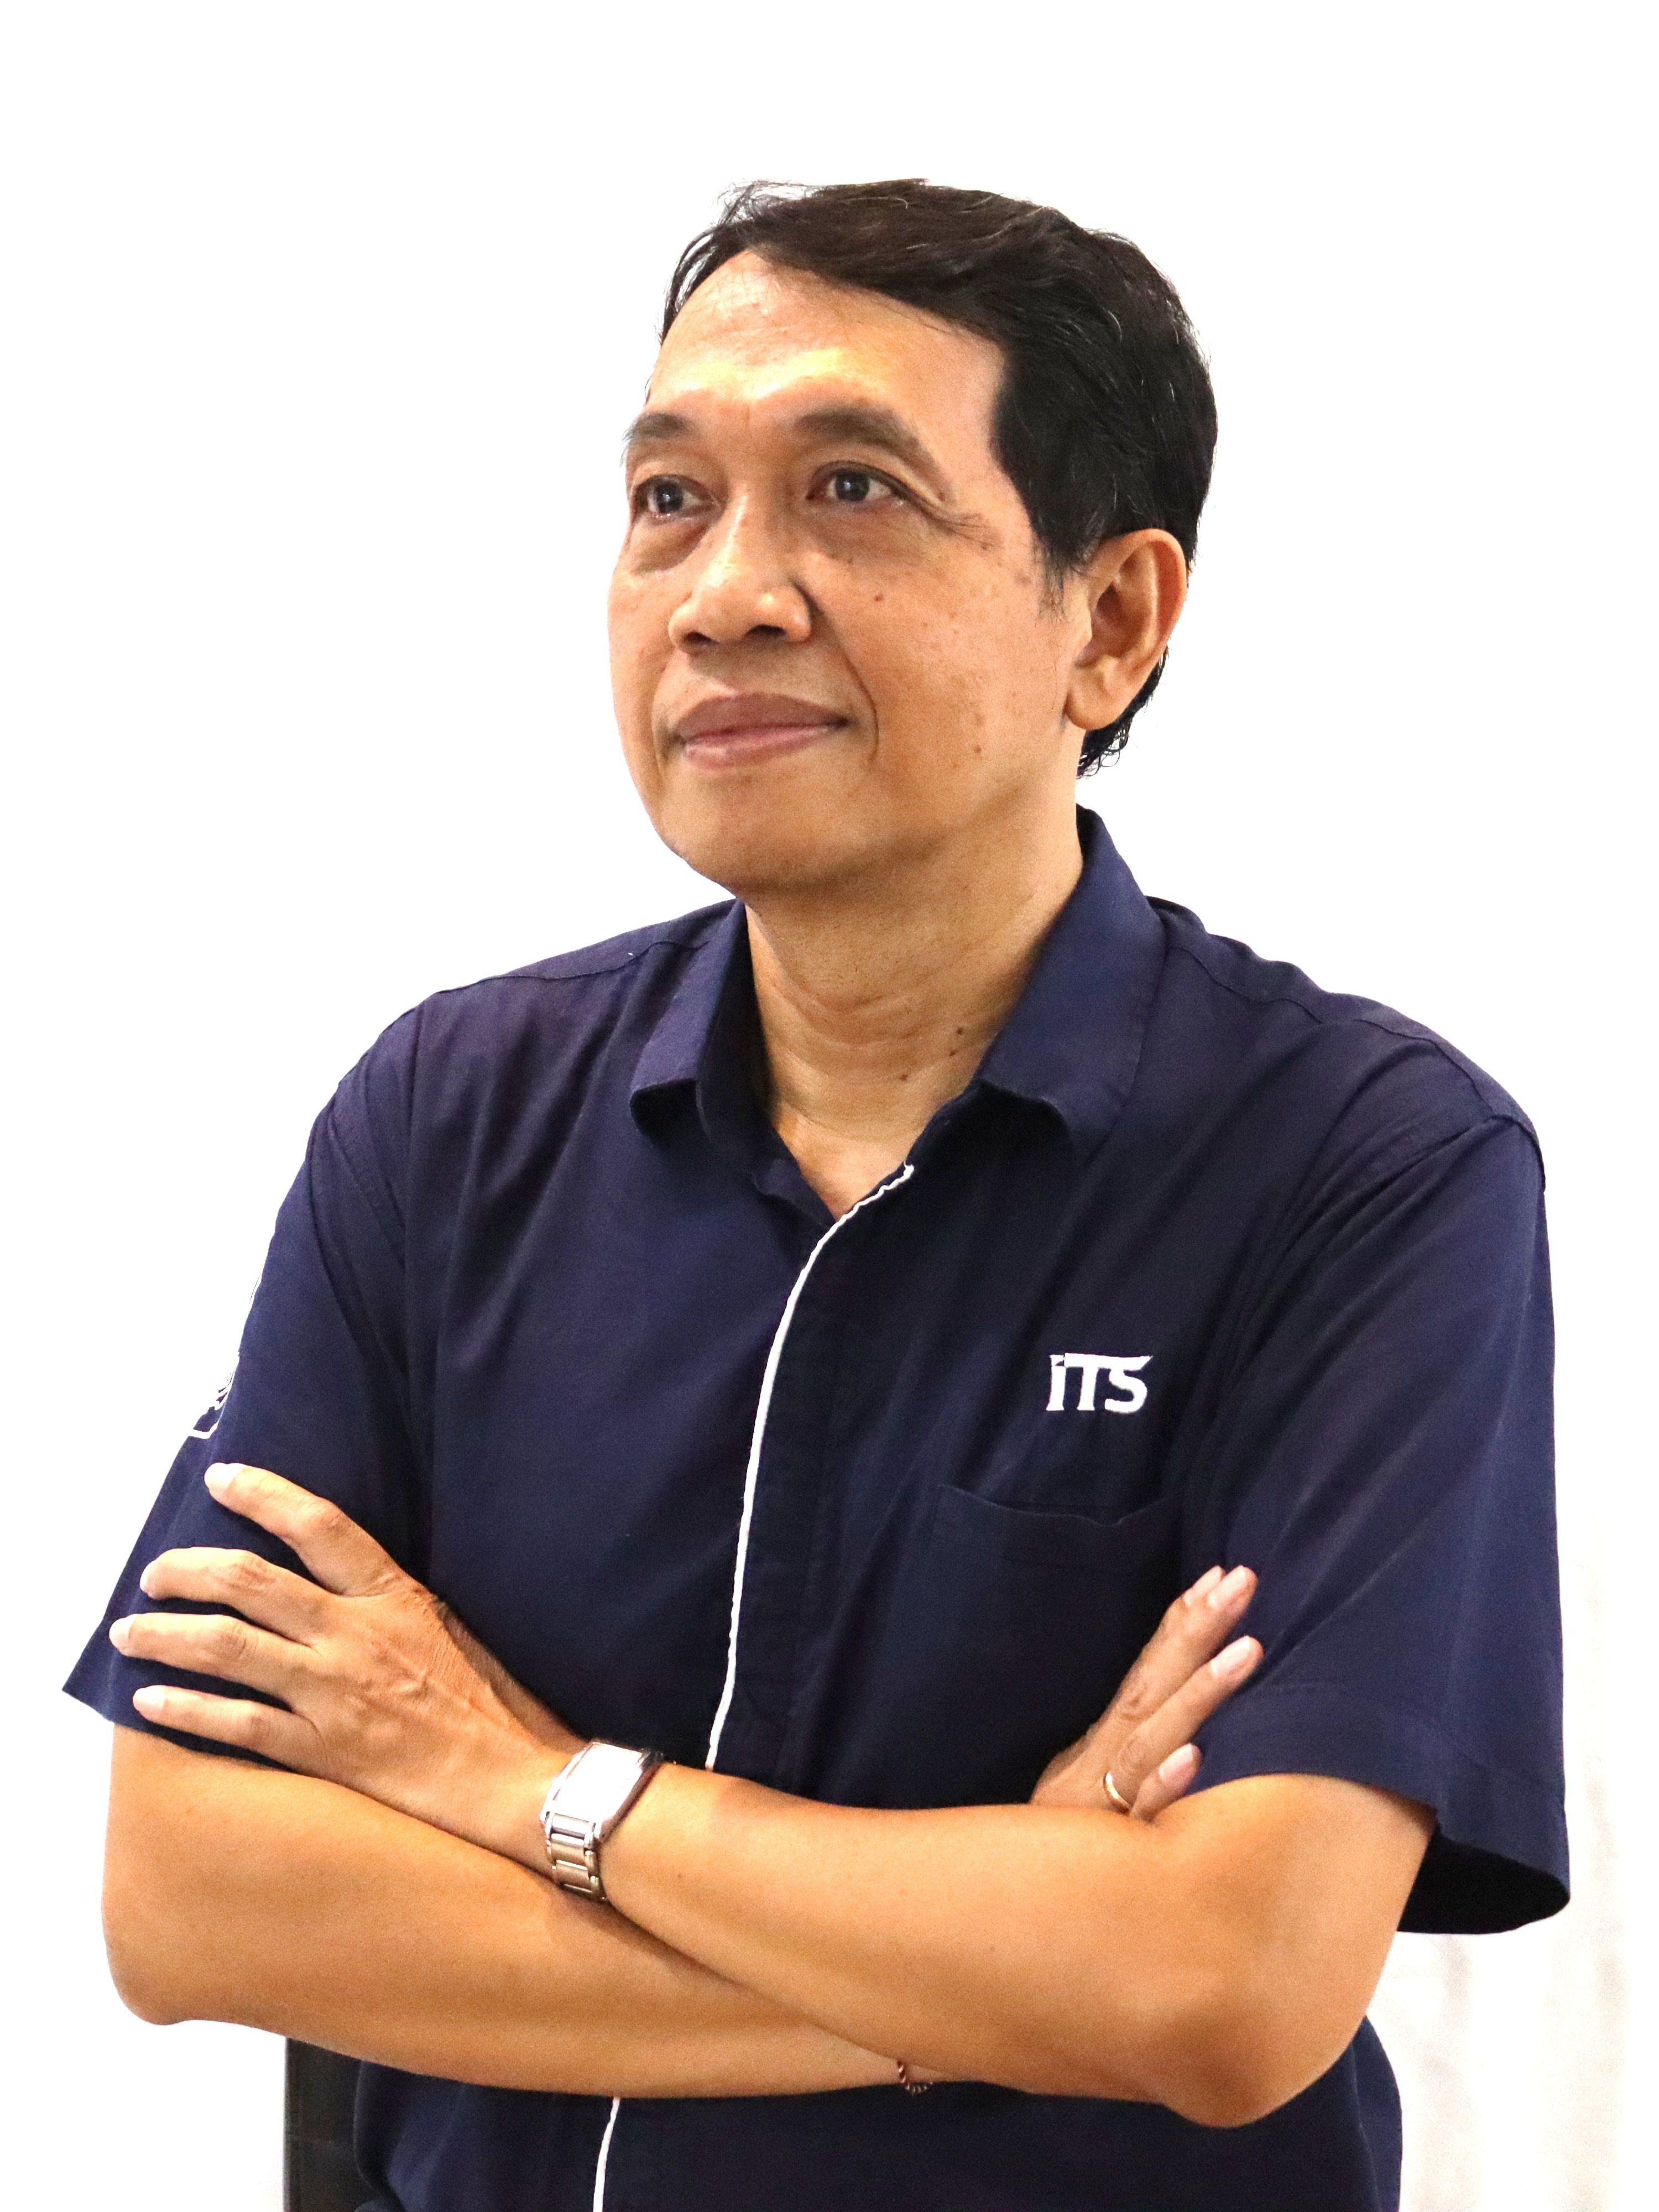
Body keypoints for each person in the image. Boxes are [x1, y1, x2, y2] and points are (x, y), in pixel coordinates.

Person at [67, 181, 1566, 2212]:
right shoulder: (445, 1118)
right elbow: (195, 1899)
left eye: (853, 491)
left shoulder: (1368, 1168)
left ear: (1113, 622)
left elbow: (1229, 1984)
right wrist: (1017, 1969)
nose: (726, 595)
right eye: (669, 500)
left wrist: (528, 1790)